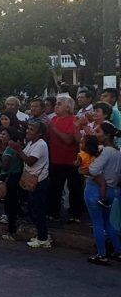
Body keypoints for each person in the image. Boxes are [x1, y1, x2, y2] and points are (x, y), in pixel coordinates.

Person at [9, 120, 52, 248]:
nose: (28, 131)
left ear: (39, 134)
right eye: (28, 128)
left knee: (38, 209)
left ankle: (43, 238)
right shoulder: (31, 143)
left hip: (39, 181)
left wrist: (18, 149)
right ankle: (41, 234)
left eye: (32, 130)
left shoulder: (40, 145)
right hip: (31, 179)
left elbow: (30, 161)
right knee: (33, 208)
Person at [83, 122, 121, 265]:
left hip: (95, 189)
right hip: (111, 190)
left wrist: (86, 169)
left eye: (98, 132)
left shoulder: (105, 151)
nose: (95, 134)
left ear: (107, 135)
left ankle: (101, 254)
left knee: (97, 223)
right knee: (108, 222)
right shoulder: (117, 151)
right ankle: (118, 251)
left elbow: (93, 170)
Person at [47, 95, 83, 223]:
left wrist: (53, 128)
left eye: (59, 104)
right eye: (56, 103)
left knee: (74, 188)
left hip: (71, 160)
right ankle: (53, 212)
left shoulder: (74, 119)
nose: (56, 106)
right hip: (55, 159)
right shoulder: (54, 119)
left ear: (68, 107)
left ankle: (75, 214)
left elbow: (69, 140)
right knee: (54, 188)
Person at [0, 127, 25, 241]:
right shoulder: (14, 148)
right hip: (14, 176)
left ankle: (11, 230)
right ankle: (21, 217)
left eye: (4, 134)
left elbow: (5, 166)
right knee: (13, 201)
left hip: (9, 177)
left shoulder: (9, 150)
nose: (1, 137)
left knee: (9, 203)